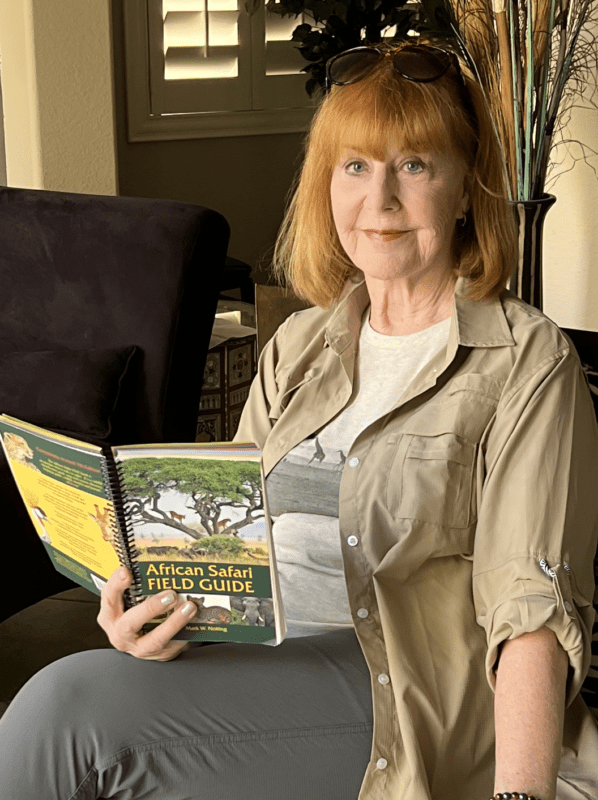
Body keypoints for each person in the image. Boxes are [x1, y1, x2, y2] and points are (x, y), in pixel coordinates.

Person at [1, 40, 597, 800]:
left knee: (66, 711)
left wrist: (520, 795)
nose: (378, 199)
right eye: (355, 166)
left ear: (464, 187)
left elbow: (532, 612)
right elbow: (232, 549)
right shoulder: (302, 344)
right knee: (91, 701)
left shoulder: (525, 361)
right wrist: (149, 619)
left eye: (414, 165)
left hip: (406, 697)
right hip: (261, 660)